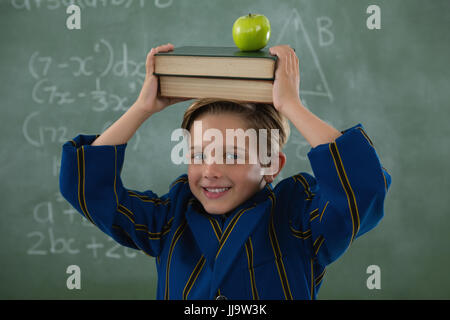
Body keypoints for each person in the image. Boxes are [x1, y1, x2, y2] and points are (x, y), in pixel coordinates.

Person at [59, 43, 391, 300]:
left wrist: (292, 105)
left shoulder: (298, 218)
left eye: (232, 154)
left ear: (272, 164)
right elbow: (87, 190)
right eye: (198, 154)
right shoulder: (172, 217)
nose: (210, 170)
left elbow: (362, 189)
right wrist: (142, 108)